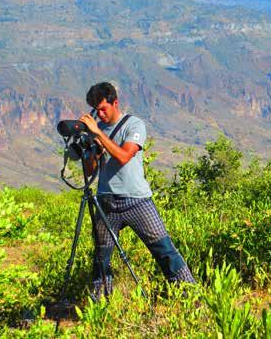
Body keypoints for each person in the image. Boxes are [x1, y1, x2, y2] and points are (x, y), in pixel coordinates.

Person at [78, 81, 195, 299]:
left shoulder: (134, 125)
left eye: (104, 108)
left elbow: (123, 156)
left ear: (115, 103)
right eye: (97, 110)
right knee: (101, 256)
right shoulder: (97, 130)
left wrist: (98, 134)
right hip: (106, 201)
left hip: (136, 200)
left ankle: (191, 295)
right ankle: (100, 302)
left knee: (164, 249)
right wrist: (91, 150)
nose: (100, 114)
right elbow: (90, 169)